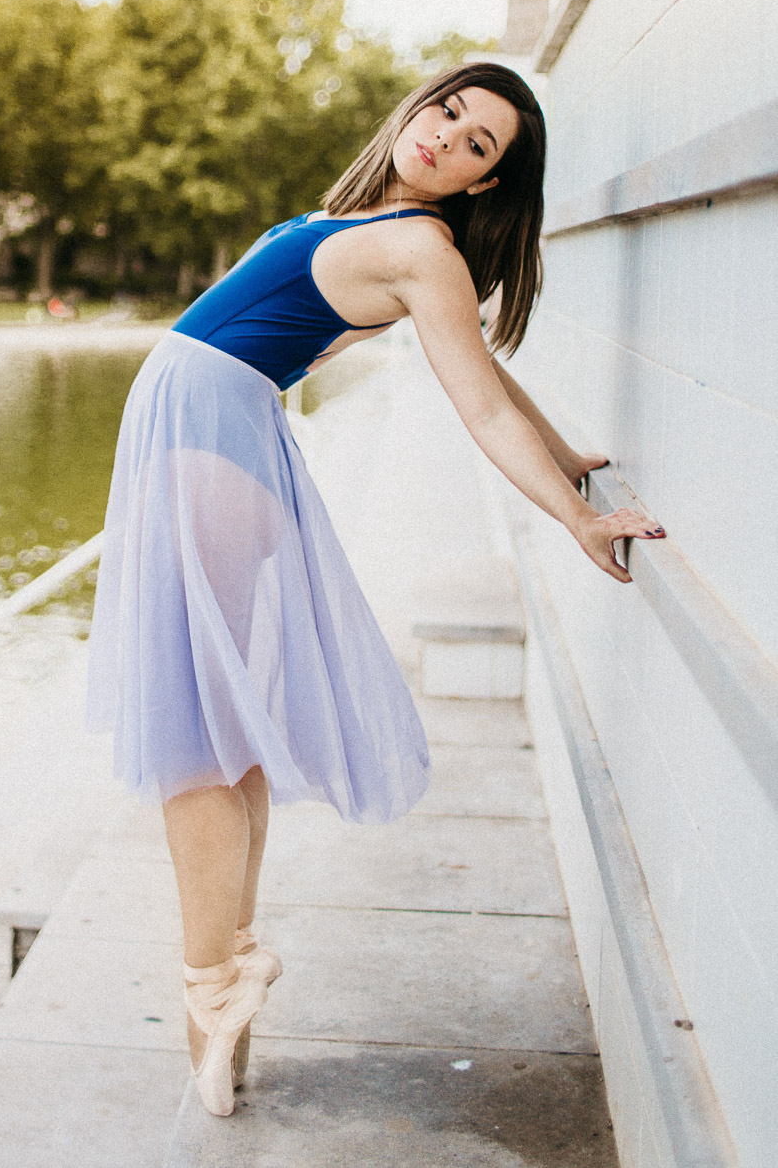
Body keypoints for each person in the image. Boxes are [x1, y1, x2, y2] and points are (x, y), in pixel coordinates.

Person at [87, 61, 664, 1116]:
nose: (448, 136)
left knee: (195, 743)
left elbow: (479, 408)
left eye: (478, 144)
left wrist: (576, 513)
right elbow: (493, 377)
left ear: (487, 184)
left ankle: (213, 982)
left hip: (213, 453)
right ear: (419, 106)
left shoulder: (417, 246)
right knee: (222, 734)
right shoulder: (375, 227)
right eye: (449, 110)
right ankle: (232, 960)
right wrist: (572, 452)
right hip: (216, 447)